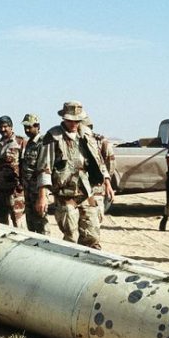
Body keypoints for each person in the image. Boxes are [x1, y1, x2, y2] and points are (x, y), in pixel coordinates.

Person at [35, 101, 114, 248]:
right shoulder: (53, 136)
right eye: (71, 120)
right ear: (64, 118)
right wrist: (42, 196)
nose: (74, 124)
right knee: (71, 236)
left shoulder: (86, 134)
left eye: (77, 120)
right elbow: (44, 168)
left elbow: (99, 160)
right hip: (65, 194)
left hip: (86, 192)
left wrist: (107, 182)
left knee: (92, 236)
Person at [0, 115, 26, 228]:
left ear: (11, 127)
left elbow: (25, 165)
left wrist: (22, 185)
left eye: (5, 126)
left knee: (17, 222)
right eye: (0, 127)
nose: (2, 129)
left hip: (14, 190)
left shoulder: (20, 142)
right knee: (0, 223)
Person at [19, 114, 49, 234]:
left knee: (42, 225)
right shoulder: (29, 144)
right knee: (31, 224)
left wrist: (42, 195)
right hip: (28, 191)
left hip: (39, 192)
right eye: (25, 127)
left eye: (29, 127)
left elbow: (44, 168)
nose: (26, 130)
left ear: (37, 126)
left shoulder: (43, 143)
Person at [83, 116, 115, 222]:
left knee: (94, 223)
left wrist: (105, 181)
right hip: (78, 189)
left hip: (96, 187)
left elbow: (110, 163)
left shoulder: (100, 142)